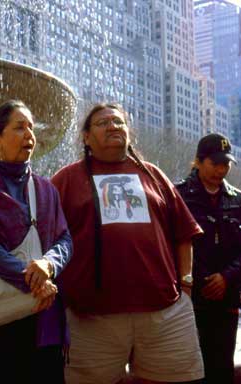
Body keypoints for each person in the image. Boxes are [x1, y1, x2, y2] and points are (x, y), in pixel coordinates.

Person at [51, 103, 204, 384]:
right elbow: (48, 237)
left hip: (164, 312)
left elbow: (184, 233)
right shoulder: (67, 178)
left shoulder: (153, 175)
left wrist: (186, 286)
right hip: (91, 318)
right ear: (85, 137)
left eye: (118, 121)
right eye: (102, 123)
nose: (113, 126)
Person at [0, 100, 72, 384]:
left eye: (31, 127)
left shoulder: (46, 189)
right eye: (19, 127)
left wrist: (48, 264)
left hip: (41, 307)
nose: (29, 134)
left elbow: (64, 239)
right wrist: (30, 279)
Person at [175, 133, 241, 384]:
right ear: (199, 162)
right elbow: (173, 243)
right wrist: (200, 278)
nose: (221, 170)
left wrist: (227, 276)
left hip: (227, 297)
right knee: (190, 365)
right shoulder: (179, 195)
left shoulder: (237, 199)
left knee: (222, 366)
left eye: (226, 164)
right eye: (215, 163)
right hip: (191, 297)